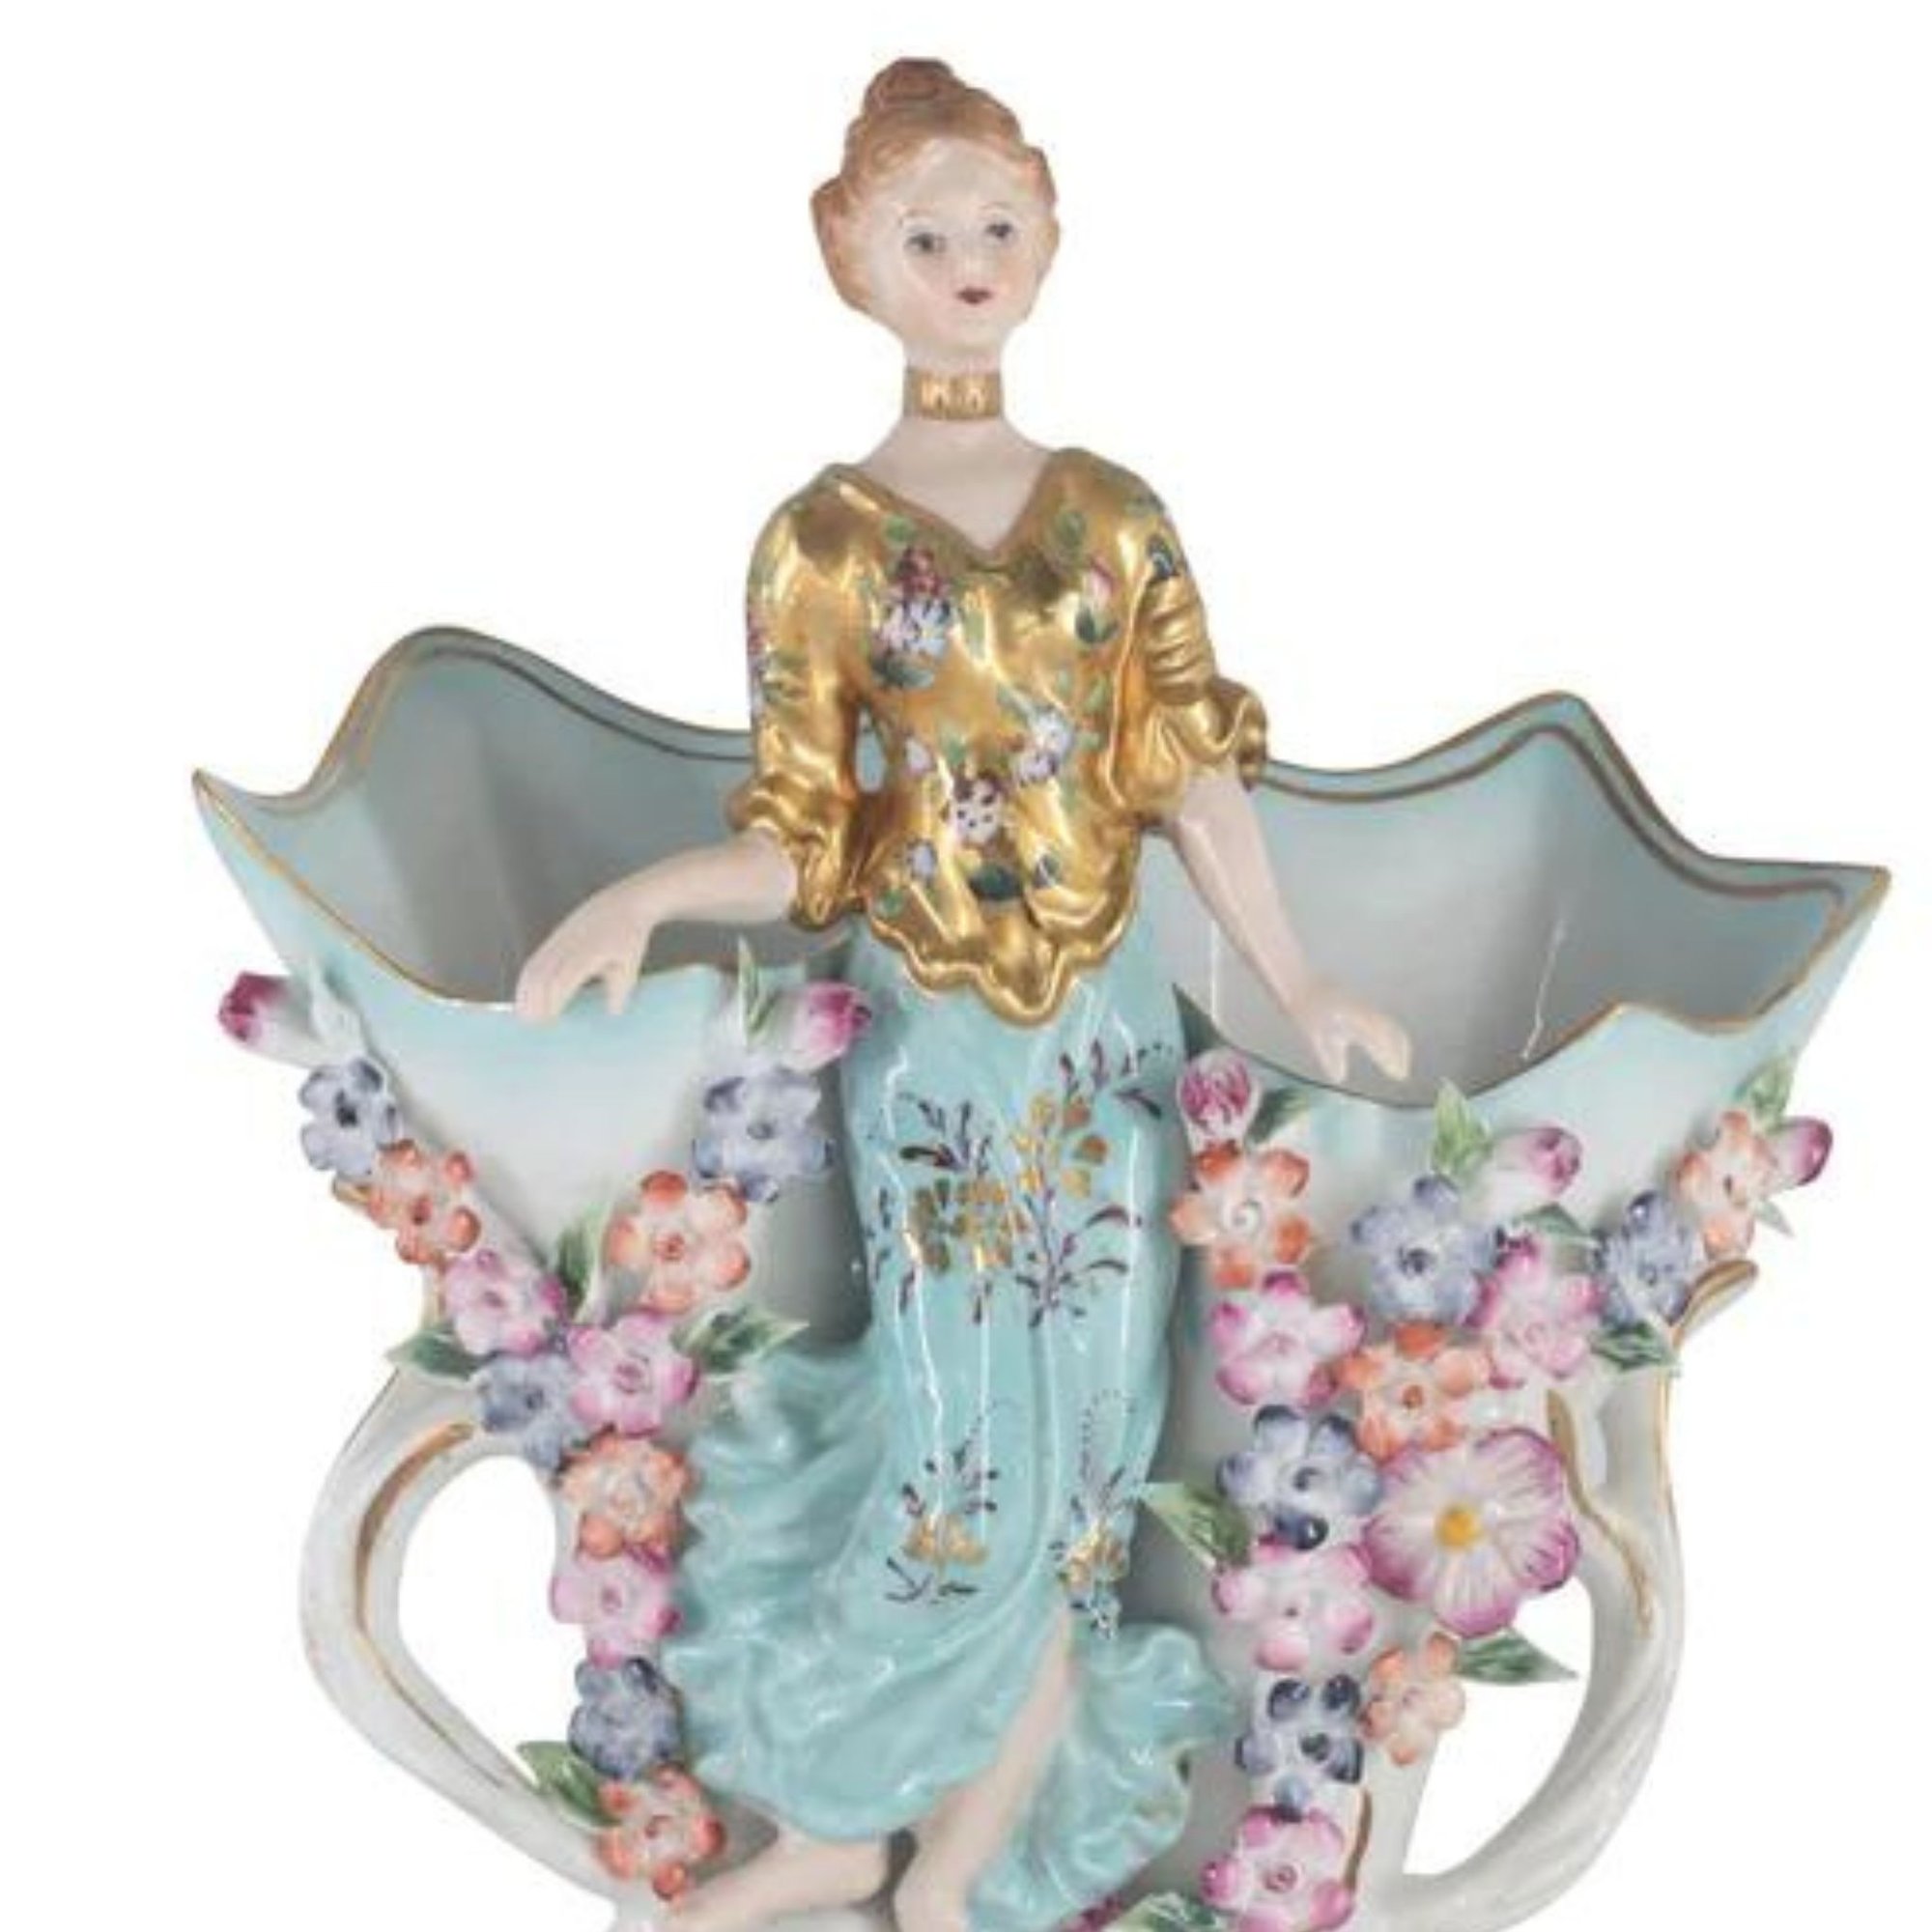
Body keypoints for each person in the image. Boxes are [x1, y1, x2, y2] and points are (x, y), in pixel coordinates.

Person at [514, 55, 1409, 1932]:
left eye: (997, 223)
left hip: (1105, 1050)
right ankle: (846, 1813)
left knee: (1085, 1466)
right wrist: (646, 896)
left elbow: (1186, 770)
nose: (969, 261)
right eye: (925, 235)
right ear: (851, 259)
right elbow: (808, 840)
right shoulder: (824, 544)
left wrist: (1297, 972)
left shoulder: (1113, 518)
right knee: (953, 1453)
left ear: (1051, 237)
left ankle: (963, 1867)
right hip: (935, 1054)